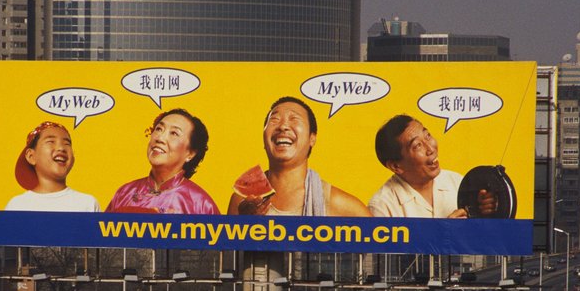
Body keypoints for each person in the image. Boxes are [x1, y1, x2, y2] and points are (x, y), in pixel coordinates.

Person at [227, 96, 371, 217]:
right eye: (274, 120)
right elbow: (229, 249)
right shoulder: (242, 201)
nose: (283, 126)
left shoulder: (343, 206)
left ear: (312, 139)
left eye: (294, 119)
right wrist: (243, 224)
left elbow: (378, 249)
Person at [368, 114, 485, 218]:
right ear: (396, 166)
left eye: (428, 136)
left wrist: (484, 209)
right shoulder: (381, 207)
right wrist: (445, 232)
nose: (430, 149)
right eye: (417, 145)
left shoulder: (456, 181)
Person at [105, 109, 220, 214]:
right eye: (159, 129)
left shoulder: (201, 204)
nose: (160, 138)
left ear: (190, 154)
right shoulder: (125, 193)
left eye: (174, 133)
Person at [5, 121, 100, 211]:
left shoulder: (88, 204)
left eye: (67, 144)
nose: (61, 148)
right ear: (31, 156)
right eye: (51, 142)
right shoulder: (17, 205)